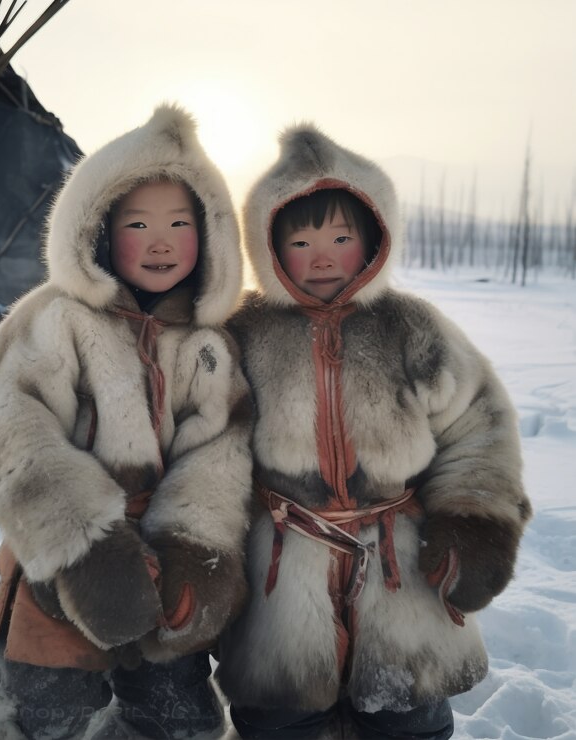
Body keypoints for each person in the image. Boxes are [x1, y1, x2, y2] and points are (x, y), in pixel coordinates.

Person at [215, 124, 532, 739]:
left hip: (401, 573)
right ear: (269, 245)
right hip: (281, 574)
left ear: (374, 238)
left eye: (341, 235)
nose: (324, 254)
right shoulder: (243, 335)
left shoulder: (412, 327)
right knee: (282, 723)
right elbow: (214, 448)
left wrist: (474, 524)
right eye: (302, 240)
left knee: (409, 720)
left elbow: (479, 425)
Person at [0, 104, 253, 740]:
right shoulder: (56, 320)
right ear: (97, 228)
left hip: (162, 560)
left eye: (179, 223)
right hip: (63, 558)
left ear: (206, 234)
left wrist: (191, 552)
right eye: (138, 223)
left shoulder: (207, 346)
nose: (160, 240)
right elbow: (14, 430)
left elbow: (219, 457)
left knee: (177, 718)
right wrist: (87, 548)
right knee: (46, 710)